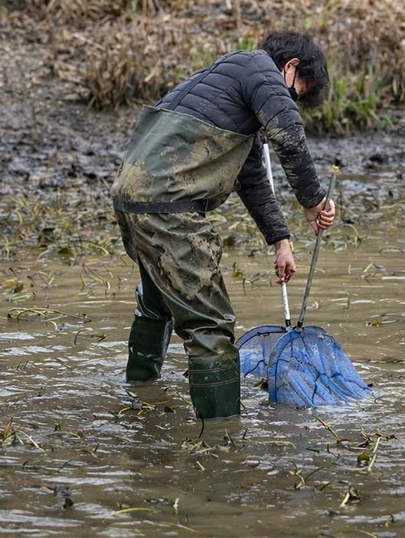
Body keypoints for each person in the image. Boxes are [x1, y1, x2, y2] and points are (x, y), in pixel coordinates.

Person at [111, 31, 337, 420]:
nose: (292, 100)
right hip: (170, 207)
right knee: (210, 325)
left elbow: (250, 176)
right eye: (297, 92)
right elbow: (290, 139)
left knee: (159, 302)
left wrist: (280, 240)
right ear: (290, 67)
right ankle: (221, 438)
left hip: (133, 200)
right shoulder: (262, 72)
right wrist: (313, 201)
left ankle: (140, 394)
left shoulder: (229, 82)